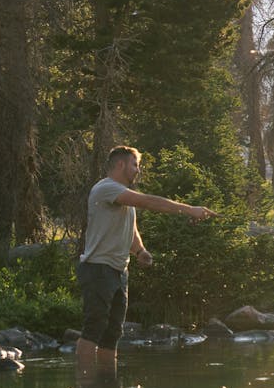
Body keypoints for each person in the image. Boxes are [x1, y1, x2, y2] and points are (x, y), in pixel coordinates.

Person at [76, 146, 217, 375]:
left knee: (112, 333)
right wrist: (189, 210)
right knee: (94, 328)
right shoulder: (106, 188)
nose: (138, 170)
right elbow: (149, 202)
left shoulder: (121, 196)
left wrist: (140, 251)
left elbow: (130, 230)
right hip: (97, 268)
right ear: (120, 164)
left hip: (119, 271)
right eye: (135, 165)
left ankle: (107, 385)